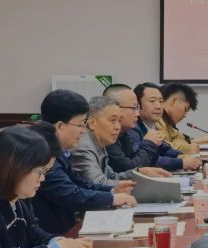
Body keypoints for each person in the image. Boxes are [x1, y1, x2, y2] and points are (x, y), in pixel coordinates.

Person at [0, 124, 97, 248]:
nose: (42, 179)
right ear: (14, 168)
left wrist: (59, 242)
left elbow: (32, 233)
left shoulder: (19, 197)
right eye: (40, 171)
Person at [33, 89, 135, 236]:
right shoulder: (42, 155)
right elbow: (69, 194)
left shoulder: (59, 151)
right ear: (60, 126)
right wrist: (112, 198)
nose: (83, 131)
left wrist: (112, 190)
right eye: (81, 125)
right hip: (53, 235)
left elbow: (80, 183)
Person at [76, 92, 182, 204]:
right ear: (92, 123)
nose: (117, 127)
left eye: (119, 121)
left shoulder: (100, 141)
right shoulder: (84, 147)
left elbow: (111, 176)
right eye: (112, 120)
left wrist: (139, 173)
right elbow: (99, 183)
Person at [133, 82, 202, 171]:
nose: (159, 106)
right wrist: (181, 162)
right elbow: (143, 161)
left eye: (160, 101)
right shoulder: (132, 128)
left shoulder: (151, 124)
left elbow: (165, 149)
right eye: (152, 101)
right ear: (138, 105)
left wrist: (181, 156)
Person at [153, 81, 204, 150]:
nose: (185, 115)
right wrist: (190, 148)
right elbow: (163, 148)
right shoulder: (155, 118)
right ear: (174, 101)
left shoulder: (168, 122)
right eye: (185, 109)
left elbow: (181, 139)